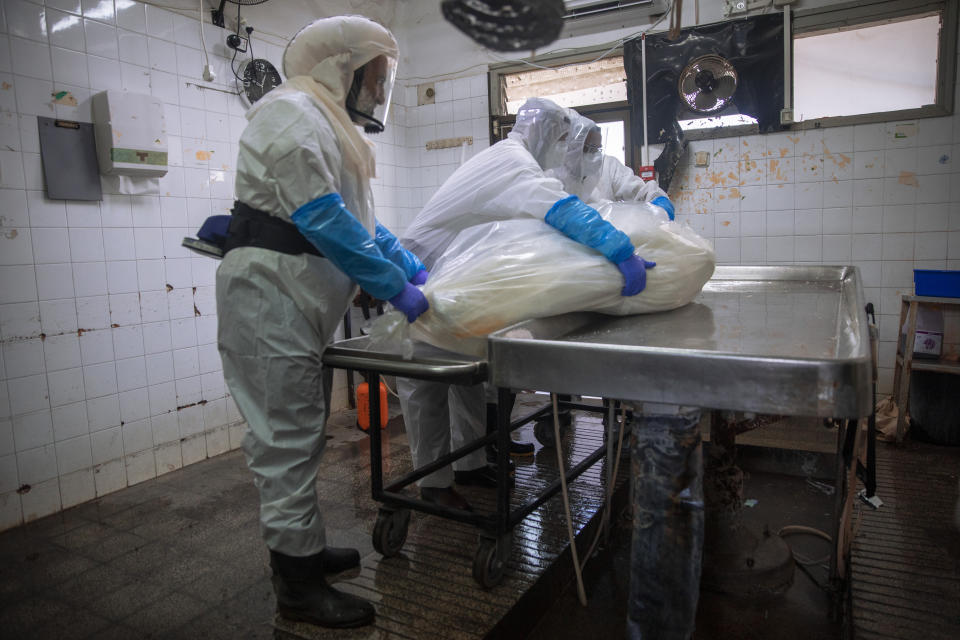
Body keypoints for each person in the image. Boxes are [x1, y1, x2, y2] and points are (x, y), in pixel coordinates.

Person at [215, 16, 428, 629]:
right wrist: (394, 287)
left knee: (301, 433)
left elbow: (362, 225)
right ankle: (298, 590)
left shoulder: (329, 125)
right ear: (343, 66)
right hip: (269, 300)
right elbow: (325, 220)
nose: (378, 88)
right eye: (376, 74)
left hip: (294, 301)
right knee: (284, 440)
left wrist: (408, 262)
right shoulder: (290, 113)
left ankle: (302, 553)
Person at [398, 97, 656, 510]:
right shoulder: (512, 163)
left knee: (466, 375)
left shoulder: (518, 162)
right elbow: (563, 212)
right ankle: (432, 484)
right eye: (560, 138)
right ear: (543, 133)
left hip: (455, 275)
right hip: (421, 270)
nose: (563, 147)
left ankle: (469, 464)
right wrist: (619, 250)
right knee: (427, 382)